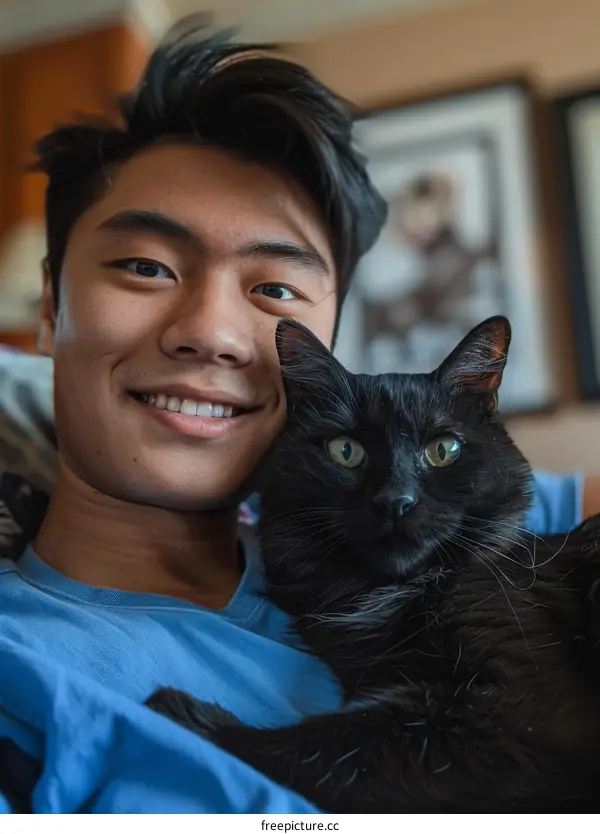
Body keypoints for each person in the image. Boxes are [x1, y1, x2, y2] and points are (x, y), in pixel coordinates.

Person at [0, 21, 593, 814]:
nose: (209, 332)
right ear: (49, 305)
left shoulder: (479, 527)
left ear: (329, 339)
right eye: (146, 267)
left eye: (275, 289)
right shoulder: (27, 667)